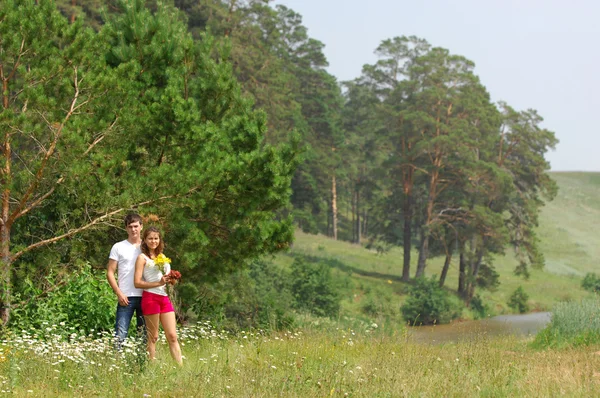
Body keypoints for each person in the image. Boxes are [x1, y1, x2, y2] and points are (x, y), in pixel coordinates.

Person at [134, 227, 182, 365]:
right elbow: (137, 282)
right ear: (145, 240)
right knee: (153, 337)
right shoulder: (142, 258)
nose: (153, 241)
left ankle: (180, 368)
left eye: (156, 238)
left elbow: (165, 278)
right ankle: (151, 367)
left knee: (172, 336)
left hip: (164, 298)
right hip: (150, 298)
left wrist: (171, 280)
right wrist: (158, 283)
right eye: (150, 238)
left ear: (159, 240)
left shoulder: (163, 257)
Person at [107, 213, 146, 346]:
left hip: (145, 295)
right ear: (126, 228)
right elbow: (110, 272)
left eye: (136, 226)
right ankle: (117, 363)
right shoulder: (118, 247)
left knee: (144, 335)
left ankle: (142, 364)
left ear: (141, 226)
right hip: (126, 297)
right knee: (120, 334)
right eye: (130, 227)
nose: (133, 229)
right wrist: (119, 293)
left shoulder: (147, 246)